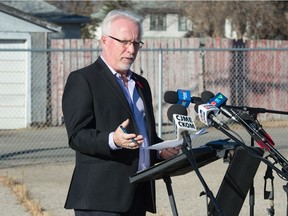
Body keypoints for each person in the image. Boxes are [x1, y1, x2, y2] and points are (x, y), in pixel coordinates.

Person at [62, 9, 180, 216]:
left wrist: (160, 150)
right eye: (124, 42)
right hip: (100, 199)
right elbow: (77, 136)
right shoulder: (83, 80)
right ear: (105, 41)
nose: (131, 49)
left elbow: (142, 135)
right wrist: (112, 140)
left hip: (138, 193)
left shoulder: (141, 84)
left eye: (136, 43)